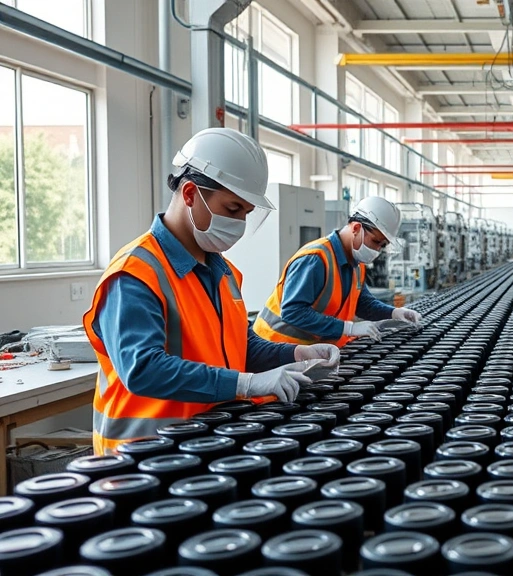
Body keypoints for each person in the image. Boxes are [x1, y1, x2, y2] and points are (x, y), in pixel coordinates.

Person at [84, 128, 340, 455]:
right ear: (190, 193)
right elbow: (143, 369)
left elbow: (239, 345)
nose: (239, 224)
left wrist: (294, 355)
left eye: (247, 214)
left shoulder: (223, 271)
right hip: (144, 457)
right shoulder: (135, 274)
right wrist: (245, 384)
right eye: (233, 210)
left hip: (208, 443)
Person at [253, 196, 422, 347]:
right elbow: (293, 311)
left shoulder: (357, 264)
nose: (377, 250)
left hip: (312, 352)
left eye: (382, 246)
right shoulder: (316, 259)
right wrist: (348, 328)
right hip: (275, 349)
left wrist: (394, 313)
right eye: (376, 242)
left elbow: (363, 304)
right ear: (356, 228)